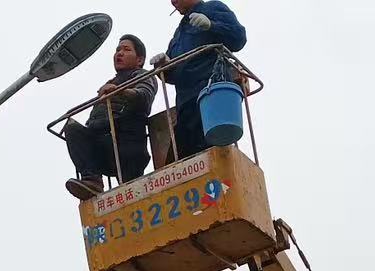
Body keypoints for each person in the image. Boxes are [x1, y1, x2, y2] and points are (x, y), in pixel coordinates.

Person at [63, 34, 157, 199]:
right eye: (117, 50)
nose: (119, 53)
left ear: (139, 59)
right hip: (102, 145)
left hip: (126, 144)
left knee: (133, 193)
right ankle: (92, 180)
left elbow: (144, 96)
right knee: (72, 128)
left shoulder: (142, 75)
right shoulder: (110, 81)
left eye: (126, 50)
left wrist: (119, 91)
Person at [154, 0, 247, 161]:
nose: (172, 2)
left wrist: (211, 25)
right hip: (186, 105)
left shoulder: (212, 7)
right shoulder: (179, 32)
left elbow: (238, 38)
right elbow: (174, 74)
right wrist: (164, 66)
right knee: (178, 162)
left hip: (211, 97)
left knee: (211, 154)